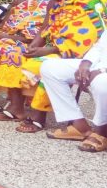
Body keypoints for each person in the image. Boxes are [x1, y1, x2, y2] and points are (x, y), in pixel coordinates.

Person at [38, 14, 107, 152]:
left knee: (101, 82)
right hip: (100, 64)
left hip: (103, 70)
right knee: (50, 68)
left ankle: (102, 131)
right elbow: (100, 46)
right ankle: (79, 126)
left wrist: (102, 70)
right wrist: (86, 63)